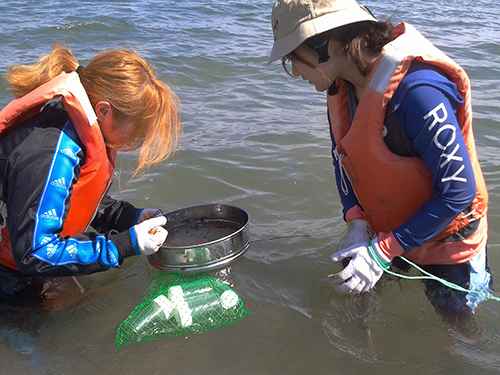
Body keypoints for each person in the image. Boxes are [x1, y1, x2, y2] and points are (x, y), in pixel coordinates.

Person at [268, 0, 492, 325]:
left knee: (460, 333)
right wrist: (356, 221)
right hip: (395, 233)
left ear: (324, 45)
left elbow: (458, 191)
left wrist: (382, 252)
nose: (294, 72)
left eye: (293, 59)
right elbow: (343, 159)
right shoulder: (341, 87)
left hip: (448, 239)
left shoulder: (418, 92)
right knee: (361, 314)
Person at [0, 45, 181, 307]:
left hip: (20, 258)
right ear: (104, 111)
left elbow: (76, 201)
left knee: (85, 302)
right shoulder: (53, 151)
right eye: (140, 127)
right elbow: (36, 253)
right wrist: (122, 246)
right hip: (10, 275)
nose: (141, 138)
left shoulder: (75, 134)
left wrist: (132, 217)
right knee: (52, 333)